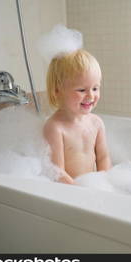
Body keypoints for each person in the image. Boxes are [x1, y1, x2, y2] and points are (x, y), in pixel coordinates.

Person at [43, 48, 112, 184]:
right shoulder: (55, 128)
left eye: (95, 88)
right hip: (69, 191)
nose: (91, 96)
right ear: (57, 91)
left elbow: (103, 157)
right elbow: (57, 172)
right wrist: (78, 191)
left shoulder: (96, 123)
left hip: (93, 186)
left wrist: (105, 184)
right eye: (81, 90)